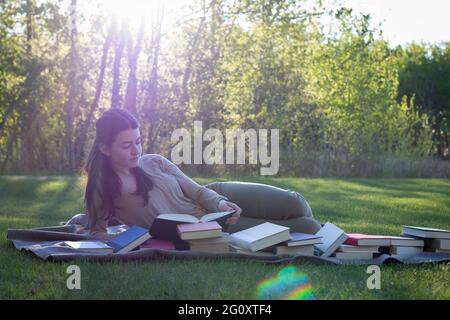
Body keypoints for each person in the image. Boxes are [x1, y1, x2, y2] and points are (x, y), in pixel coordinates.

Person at [80, 108, 321, 240]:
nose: (136, 150)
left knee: (294, 202)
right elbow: (97, 231)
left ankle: (324, 237)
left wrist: (220, 202)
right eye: (126, 146)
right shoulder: (103, 187)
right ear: (105, 148)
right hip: (203, 228)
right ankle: (323, 237)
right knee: (307, 228)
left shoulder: (153, 161)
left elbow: (194, 189)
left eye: (139, 141)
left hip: (214, 196)